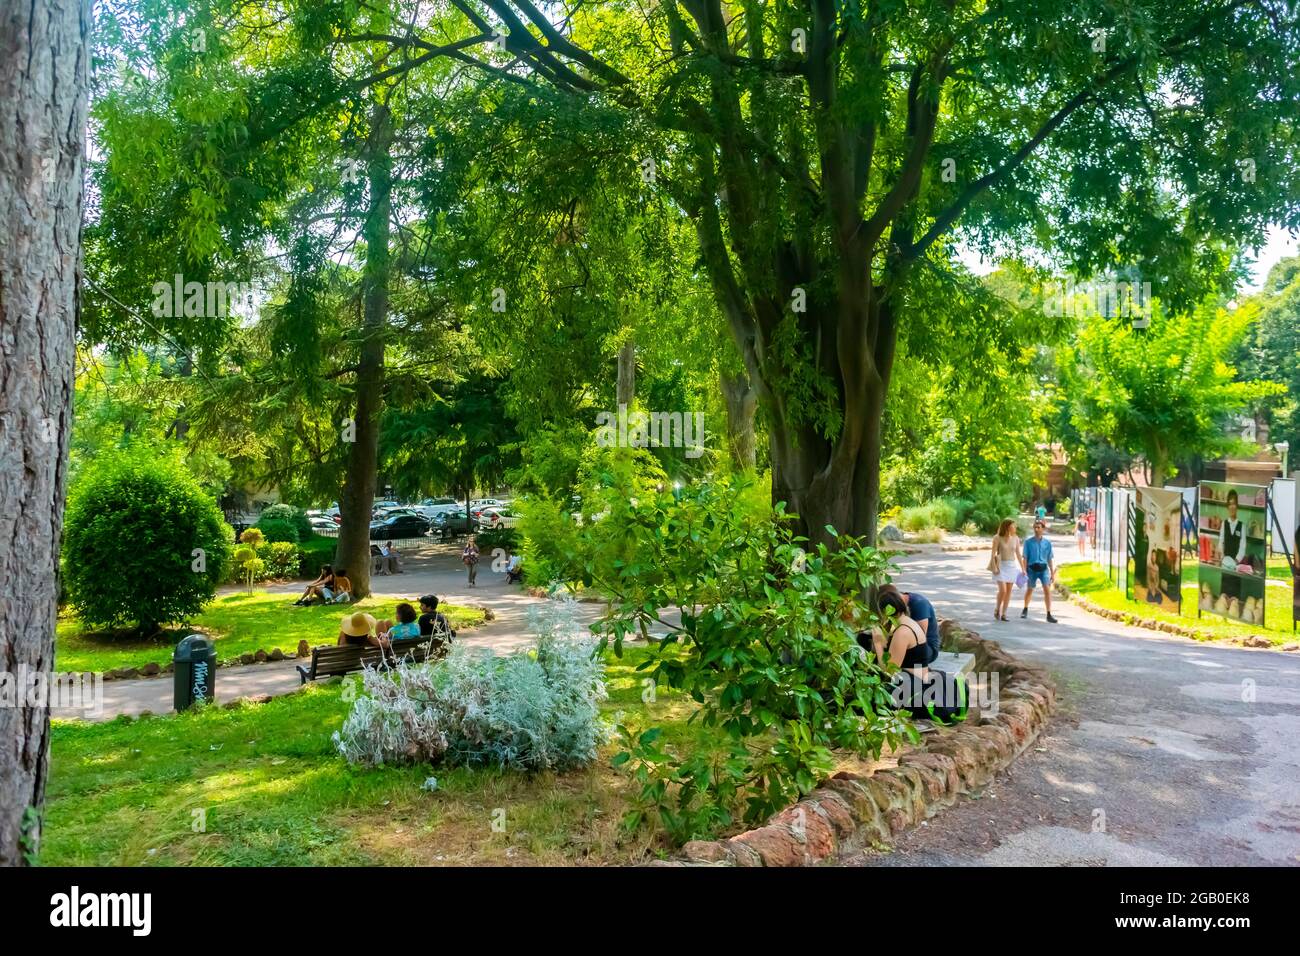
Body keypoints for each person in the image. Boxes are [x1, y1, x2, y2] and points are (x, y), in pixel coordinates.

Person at [1021, 520, 1058, 622]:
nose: (1036, 529)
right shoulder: (1028, 542)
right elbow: (1025, 557)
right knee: (1030, 589)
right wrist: (1024, 570)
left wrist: (1052, 572)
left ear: (1043, 529)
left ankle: (1049, 614)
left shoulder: (1047, 543)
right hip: (1031, 569)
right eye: (1035, 527)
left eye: (1038, 527)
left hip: (1043, 569)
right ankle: (1025, 608)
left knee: (1047, 590)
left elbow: (1049, 558)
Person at [989, 518, 1025, 622]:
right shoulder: (997, 538)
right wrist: (994, 567)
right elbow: (993, 553)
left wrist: (1023, 568)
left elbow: (1018, 554)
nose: (1015, 527)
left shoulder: (1016, 538)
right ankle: (997, 608)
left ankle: (1004, 613)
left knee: (1008, 591)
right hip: (1001, 566)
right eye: (1014, 525)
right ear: (1008, 527)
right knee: (1003, 590)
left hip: (1011, 566)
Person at [1218, 488, 1246, 602]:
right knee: (1224, 598)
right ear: (1227, 507)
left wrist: (1236, 561)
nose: (1232, 507)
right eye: (1230, 504)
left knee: (1234, 599)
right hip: (1225, 564)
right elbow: (1221, 542)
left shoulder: (1242, 525)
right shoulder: (1224, 524)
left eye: (1234, 504)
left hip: (1236, 566)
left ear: (1237, 506)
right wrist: (1223, 558)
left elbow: (1243, 546)